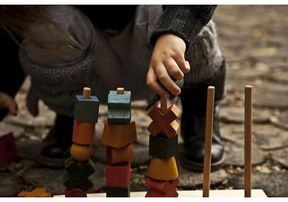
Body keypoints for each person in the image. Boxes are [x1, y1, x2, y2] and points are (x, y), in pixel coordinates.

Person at [0, 5, 226, 171]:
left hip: (154, 51)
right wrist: (4, 85)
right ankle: (72, 118)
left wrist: (175, 31)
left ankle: (199, 114)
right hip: (84, 63)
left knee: (186, 23)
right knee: (45, 23)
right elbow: (12, 14)